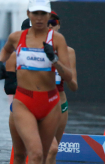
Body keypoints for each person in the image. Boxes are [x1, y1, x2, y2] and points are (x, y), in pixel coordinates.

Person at [0, 0, 72, 163]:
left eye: (43, 15)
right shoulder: (16, 47)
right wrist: (2, 69)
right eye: (35, 14)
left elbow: (71, 80)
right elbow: (9, 87)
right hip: (23, 103)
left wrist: (54, 61)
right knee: (25, 155)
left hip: (53, 103)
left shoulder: (61, 47)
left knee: (49, 152)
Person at [46, 11, 78, 164]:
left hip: (61, 105)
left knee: (53, 151)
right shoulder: (33, 47)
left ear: (58, 26)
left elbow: (74, 85)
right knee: (49, 149)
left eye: (53, 24)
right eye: (47, 24)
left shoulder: (68, 52)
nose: (50, 27)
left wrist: (63, 71)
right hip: (40, 103)